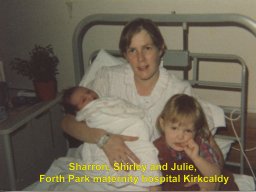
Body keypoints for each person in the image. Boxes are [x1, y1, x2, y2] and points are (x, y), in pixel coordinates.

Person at [62, 18, 224, 169]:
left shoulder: (179, 91)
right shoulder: (108, 78)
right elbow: (67, 122)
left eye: (147, 48)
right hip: (101, 167)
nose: (140, 59)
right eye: (132, 50)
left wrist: (213, 179)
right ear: (125, 55)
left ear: (161, 49)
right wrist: (104, 140)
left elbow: (212, 150)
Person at [61, 86, 161, 191]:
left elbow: (125, 107)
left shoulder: (109, 100)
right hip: (109, 139)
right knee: (145, 151)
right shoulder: (90, 112)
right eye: (84, 99)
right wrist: (105, 138)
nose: (90, 96)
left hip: (130, 134)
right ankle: (153, 184)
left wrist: (137, 115)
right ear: (78, 111)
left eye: (89, 91)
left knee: (144, 151)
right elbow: (68, 122)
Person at [154, 94, 221, 191]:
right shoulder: (155, 149)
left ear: (196, 130)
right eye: (174, 128)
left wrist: (196, 158)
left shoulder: (200, 145)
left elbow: (216, 176)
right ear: (162, 124)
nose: (180, 136)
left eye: (188, 131)